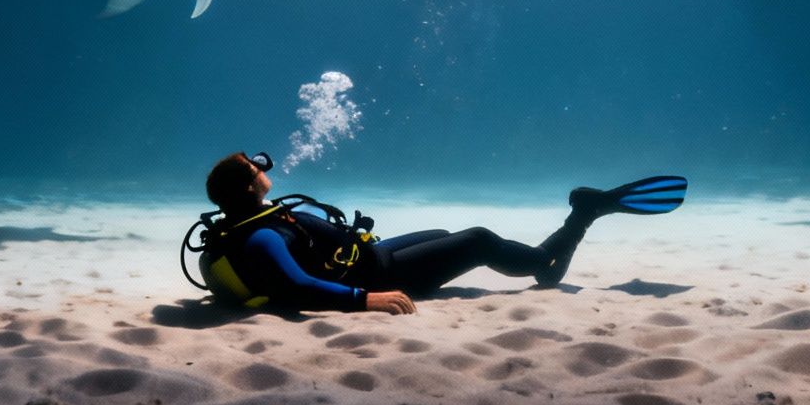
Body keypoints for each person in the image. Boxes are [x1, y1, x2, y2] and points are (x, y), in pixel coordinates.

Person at [185, 152, 686, 314]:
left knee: (444, 231)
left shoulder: (249, 222)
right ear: (251, 185)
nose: (264, 166)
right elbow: (294, 287)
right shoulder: (261, 238)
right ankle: (582, 216)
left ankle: (568, 229)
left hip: (371, 255)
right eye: (257, 166)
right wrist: (368, 301)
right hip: (377, 274)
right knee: (478, 238)